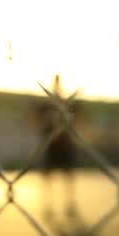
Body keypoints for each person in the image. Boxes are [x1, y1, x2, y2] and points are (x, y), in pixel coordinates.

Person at [33, 74, 78, 222]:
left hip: (64, 144)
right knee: (48, 176)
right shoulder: (48, 103)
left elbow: (77, 119)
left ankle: (69, 204)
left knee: (68, 175)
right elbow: (36, 119)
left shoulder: (66, 103)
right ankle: (49, 205)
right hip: (51, 144)